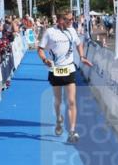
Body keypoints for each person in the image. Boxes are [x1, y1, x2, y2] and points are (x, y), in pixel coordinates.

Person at [38, 10, 92, 144]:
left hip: (69, 68)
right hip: (55, 70)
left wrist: (82, 57)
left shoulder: (72, 31)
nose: (70, 21)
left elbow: (79, 43)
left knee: (71, 101)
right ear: (59, 20)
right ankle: (58, 118)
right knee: (58, 101)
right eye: (67, 19)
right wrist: (45, 60)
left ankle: (72, 131)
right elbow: (40, 49)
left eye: (71, 19)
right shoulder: (50, 32)